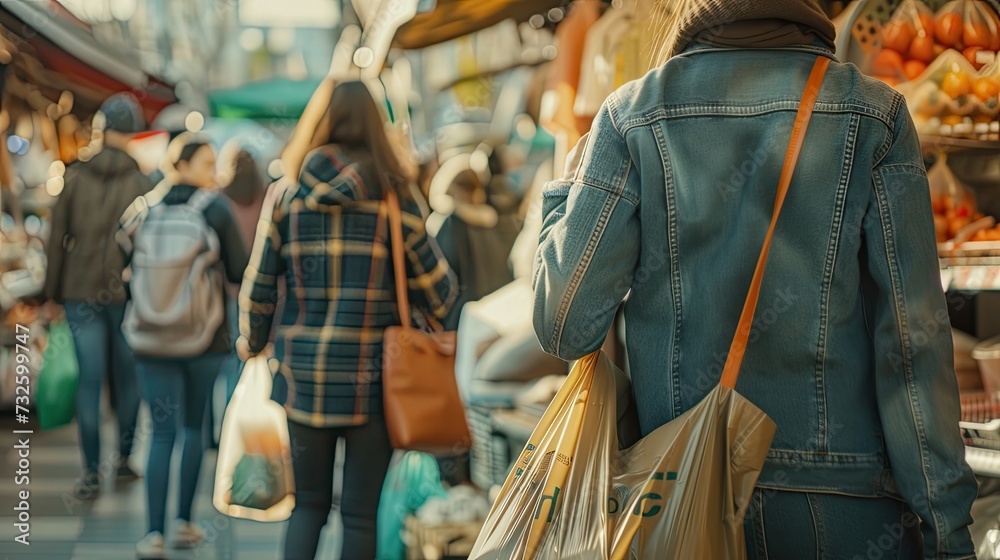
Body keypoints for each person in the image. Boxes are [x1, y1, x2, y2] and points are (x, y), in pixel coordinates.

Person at [531, 1, 978, 559]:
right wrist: (948, 529)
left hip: (678, 504)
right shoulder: (875, 114)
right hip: (843, 511)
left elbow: (565, 325)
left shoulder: (631, 115)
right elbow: (913, 346)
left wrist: (562, 198)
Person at [239, 81, 457, 560]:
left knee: (308, 506)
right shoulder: (396, 199)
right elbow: (442, 292)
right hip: (375, 382)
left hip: (302, 378)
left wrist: (251, 344)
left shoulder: (285, 196)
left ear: (321, 122)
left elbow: (256, 291)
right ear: (378, 127)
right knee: (360, 513)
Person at [122, 141, 249, 558]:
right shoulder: (214, 209)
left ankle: (153, 533)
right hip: (203, 336)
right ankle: (184, 524)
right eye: (207, 162)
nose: (215, 170)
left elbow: (119, 265)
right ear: (182, 164)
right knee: (194, 427)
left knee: (160, 433)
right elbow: (237, 268)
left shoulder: (142, 209)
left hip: (149, 338)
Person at [42, 92, 151, 499]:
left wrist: (50, 293)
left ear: (103, 130)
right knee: (127, 378)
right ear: (134, 133)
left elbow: (56, 241)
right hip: (127, 295)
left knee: (89, 381)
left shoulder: (74, 178)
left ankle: (90, 471)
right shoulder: (143, 183)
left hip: (79, 290)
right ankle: (123, 459)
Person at [218, 145, 266, 400]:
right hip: (258, 288)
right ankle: (238, 410)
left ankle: (225, 423)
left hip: (225, 289)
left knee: (227, 360)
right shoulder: (265, 197)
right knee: (248, 355)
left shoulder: (219, 199)